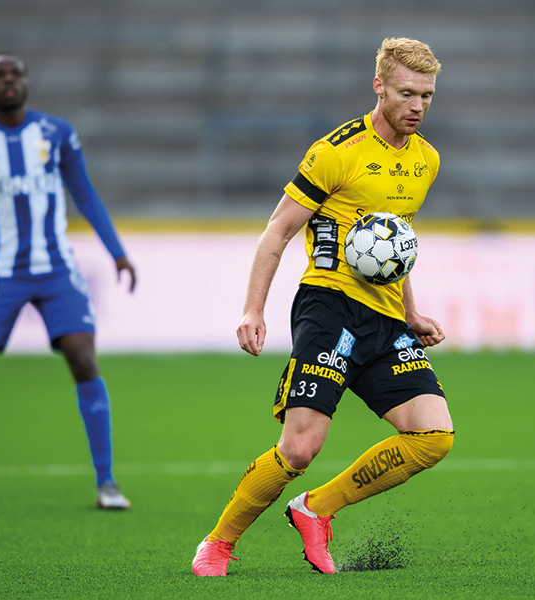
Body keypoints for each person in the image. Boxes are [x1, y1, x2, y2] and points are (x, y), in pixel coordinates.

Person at [192, 37, 454, 576]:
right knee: (299, 448)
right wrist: (253, 309)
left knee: (434, 436)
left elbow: (396, 246)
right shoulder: (336, 152)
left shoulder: (425, 160)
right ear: (378, 86)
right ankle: (218, 543)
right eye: (406, 93)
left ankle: (316, 509)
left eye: (426, 95)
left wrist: (410, 311)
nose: (417, 106)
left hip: (385, 318)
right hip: (330, 307)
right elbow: (278, 230)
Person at [0, 53, 137, 508]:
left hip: (57, 270)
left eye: (16, 74)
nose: (9, 80)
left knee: (83, 358)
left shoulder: (55, 133)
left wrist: (117, 252)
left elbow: (83, 192)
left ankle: (106, 482)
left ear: (26, 83)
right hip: (2, 271)